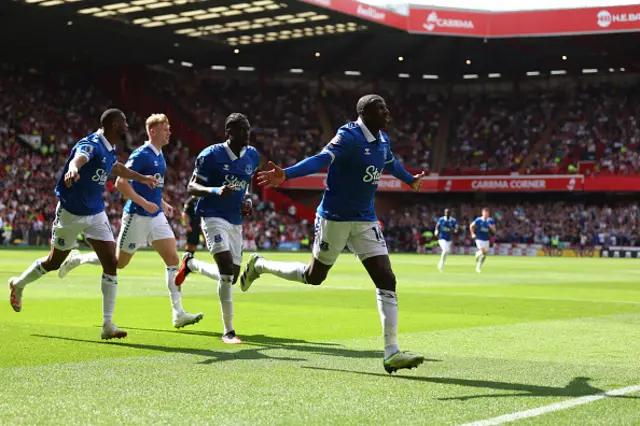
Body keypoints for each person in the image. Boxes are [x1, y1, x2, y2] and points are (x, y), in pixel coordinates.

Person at [240, 94, 426, 374]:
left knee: (386, 278)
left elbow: (390, 163)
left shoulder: (383, 140)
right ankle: (260, 264)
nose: (387, 112)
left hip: (365, 219)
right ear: (364, 113)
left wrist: (410, 180)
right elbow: (321, 159)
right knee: (314, 277)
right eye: (380, 108)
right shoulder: (348, 135)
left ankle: (391, 352)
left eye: (386, 107)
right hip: (334, 218)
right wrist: (287, 175)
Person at [8, 109, 158, 340]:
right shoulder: (92, 143)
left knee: (111, 261)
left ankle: (108, 324)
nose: (128, 127)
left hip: (96, 212)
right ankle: (18, 284)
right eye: (124, 123)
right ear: (114, 124)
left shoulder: (108, 148)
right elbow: (80, 156)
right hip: (70, 212)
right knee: (53, 262)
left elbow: (115, 168)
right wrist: (73, 169)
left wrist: (142, 178)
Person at [57, 114, 204, 329]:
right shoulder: (142, 154)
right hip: (136, 216)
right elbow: (121, 183)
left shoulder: (160, 155)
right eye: (165, 129)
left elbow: (151, 186)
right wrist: (145, 203)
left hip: (156, 217)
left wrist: (162, 203)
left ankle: (178, 313)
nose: (169, 132)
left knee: (173, 260)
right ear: (152, 131)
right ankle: (78, 259)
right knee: (118, 263)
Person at [174, 113, 259, 344]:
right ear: (229, 132)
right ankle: (228, 331)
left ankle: (191, 263)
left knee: (230, 277)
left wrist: (248, 199)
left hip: (234, 220)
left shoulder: (253, 155)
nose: (247, 133)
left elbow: (247, 181)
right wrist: (215, 191)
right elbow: (192, 186)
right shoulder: (210, 155)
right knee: (225, 270)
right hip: (212, 216)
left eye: (248, 128)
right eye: (242, 129)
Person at [469, 207, 496, 273]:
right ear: (482, 213)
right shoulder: (478, 220)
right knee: (483, 252)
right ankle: (478, 254)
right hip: (479, 239)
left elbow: (494, 230)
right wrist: (472, 233)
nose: (486, 214)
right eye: (485, 213)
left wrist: (491, 227)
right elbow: (471, 226)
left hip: (486, 239)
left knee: (484, 254)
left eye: (487, 213)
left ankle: (478, 266)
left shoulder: (491, 221)